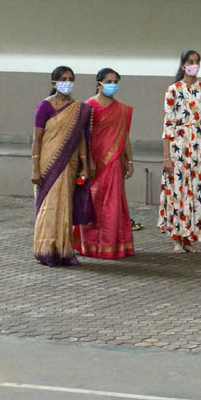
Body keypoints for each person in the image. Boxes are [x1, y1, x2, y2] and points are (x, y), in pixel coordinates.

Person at [31, 66, 94, 267]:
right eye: (63, 79)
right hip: (48, 164)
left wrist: (85, 164)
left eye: (70, 78)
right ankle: (45, 250)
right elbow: (37, 138)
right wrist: (35, 167)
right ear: (53, 83)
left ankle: (64, 250)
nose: (67, 82)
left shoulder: (79, 109)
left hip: (69, 164)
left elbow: (81, 139)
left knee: (64, 205)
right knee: (48, 207)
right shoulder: (45, 106)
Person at [158, 49, 201, 254]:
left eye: (197, 61)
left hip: (198, 147)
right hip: (178, 146)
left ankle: (190, 238)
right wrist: (167, 156)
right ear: (183, 64)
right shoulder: (173, 90)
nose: (194, 65)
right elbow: (168, 124)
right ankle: (177, 238)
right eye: (190, 61)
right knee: (178, 191)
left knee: (196, 189)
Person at [73, 68, 134, 260]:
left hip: (114, 163)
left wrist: (129, 160)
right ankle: (89, 245)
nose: (112, 85)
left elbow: (124, 136)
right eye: (108, 81)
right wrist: (86, 161)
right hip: (93, 163)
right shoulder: (87, 107)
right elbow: (82, 138)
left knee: (113, 205)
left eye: (115, 81)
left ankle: (113, 245)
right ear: (99, 83)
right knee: (92, 203)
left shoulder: (122, 109)